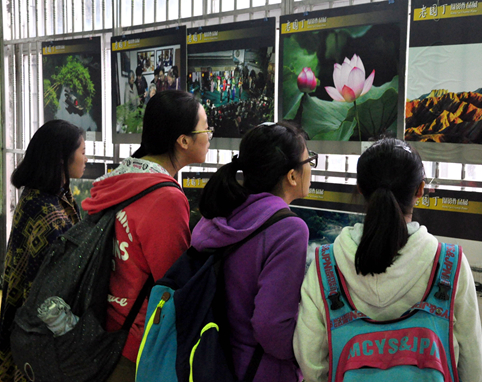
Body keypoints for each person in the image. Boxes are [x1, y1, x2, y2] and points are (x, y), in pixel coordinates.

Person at [293, 138, 482, 382]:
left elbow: (312, 366)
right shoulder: (451, 265)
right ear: (420, 190)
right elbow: (471, 366)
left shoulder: (325, 266)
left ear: (360, 188)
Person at [82, 90, 211, 382]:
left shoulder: (118, 179)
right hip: (137, 343)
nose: (210, 135)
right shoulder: (165, 197)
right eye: (206, 128)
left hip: (104, 326)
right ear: (184, 140)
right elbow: (172, 280)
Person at [190, 122, 315, 382]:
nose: (311, 167)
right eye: (309, 160)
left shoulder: (219, 215)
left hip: (211, 362)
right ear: (292, 176)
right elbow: (271, 327)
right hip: (262, 371)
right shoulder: (289, 229)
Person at [0, 120, 87, 382]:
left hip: (19, 322)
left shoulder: (39, 196)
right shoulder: (52, 217)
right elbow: (53, 294)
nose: (86, 158)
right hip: (39, 336)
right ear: (62, 159)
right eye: (82, 151)